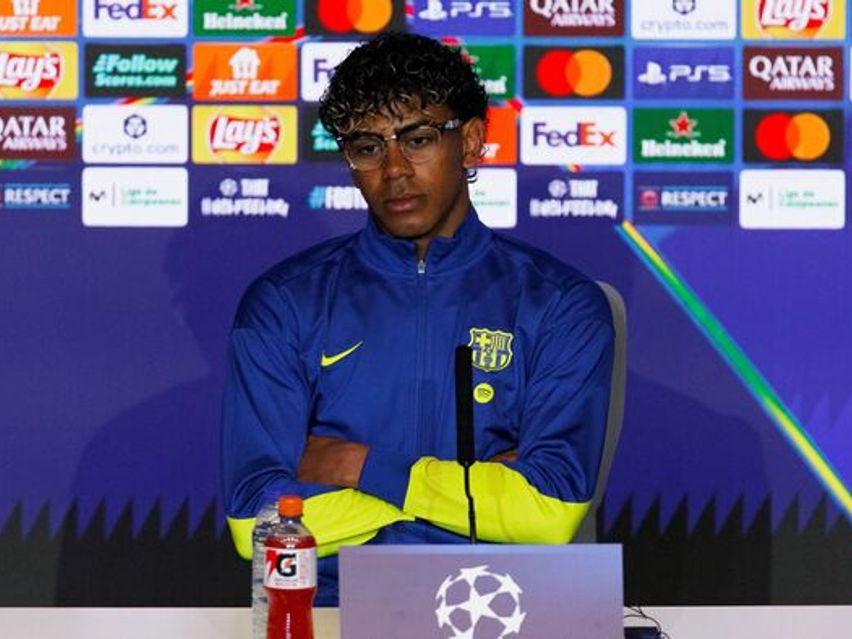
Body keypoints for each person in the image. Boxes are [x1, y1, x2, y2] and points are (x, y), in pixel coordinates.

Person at [221, 32, 615, 606]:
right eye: (367, 147)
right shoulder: (283, 303)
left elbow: (549, 511)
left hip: (503, 613)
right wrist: (478, 493)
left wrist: (357, 467)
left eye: (418, 139)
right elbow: (254, 526)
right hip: (334, 613)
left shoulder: (560, 304)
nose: (394, 170)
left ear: (471, 142)